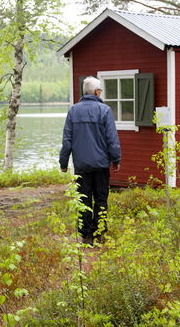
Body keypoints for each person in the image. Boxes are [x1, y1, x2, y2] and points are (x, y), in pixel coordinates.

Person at [59, 76, 121, 245]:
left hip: (81, 165)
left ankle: (86, 236)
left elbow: (67, 140)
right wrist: (116, 159)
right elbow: (112, 139)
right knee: (101, 198)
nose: (100, 93)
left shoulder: (73, 110)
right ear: (96, 92)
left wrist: (63, 163)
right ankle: (99, 233)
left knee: (84, 199)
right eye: (100, 91)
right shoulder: (105, 110)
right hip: (101, 164)